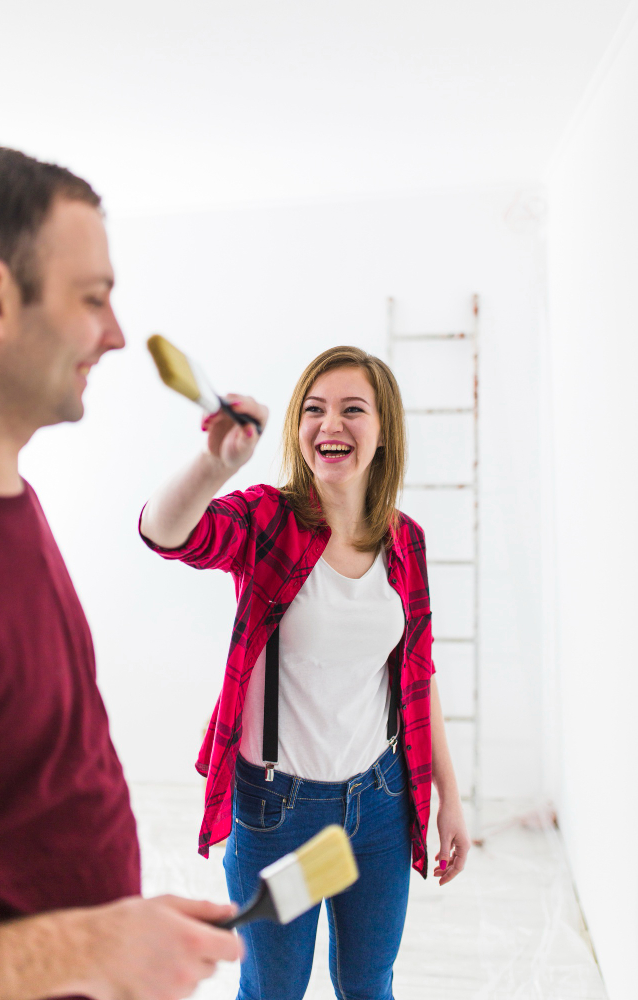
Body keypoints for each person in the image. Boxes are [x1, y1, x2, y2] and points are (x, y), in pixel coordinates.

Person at [0, 143, 241, 1000]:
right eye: (94, 300)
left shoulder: (11, 495)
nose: (119, 336)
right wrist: (82, 952)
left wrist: (117, 930)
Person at [140, 345, 471, 1000]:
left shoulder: (405, 541)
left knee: (367, 985)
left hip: (379, 801)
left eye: (353, 409)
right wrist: (215, 462)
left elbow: (418, 670)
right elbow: (166, 533)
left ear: (383, 431)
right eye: (314, 410)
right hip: (277, 811)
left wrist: (449, 801)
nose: (330, 424)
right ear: (297, 428)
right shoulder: (268, 521)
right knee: (273, 992)